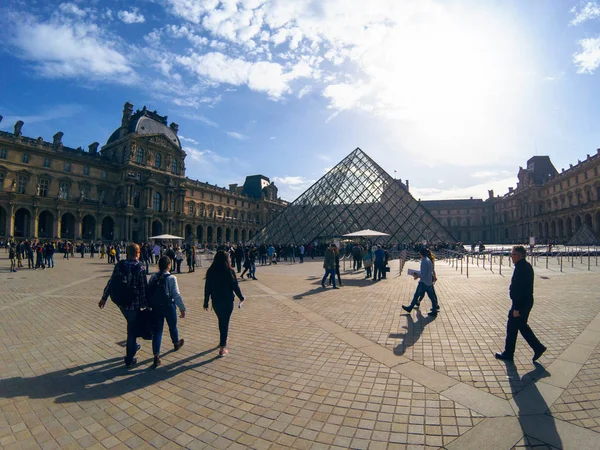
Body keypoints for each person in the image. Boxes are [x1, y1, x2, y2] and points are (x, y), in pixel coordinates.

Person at [99, 243, 149, 368]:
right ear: (137, 253)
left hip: (121, 303)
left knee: (131, 324)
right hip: (134, 304)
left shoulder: (119, 265)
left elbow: (111, 282)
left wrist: (104, 298)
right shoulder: (140, 268)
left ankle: (134, 346)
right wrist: (146, 305)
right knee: (132, 330)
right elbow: (143, 288)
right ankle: (129, 358)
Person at [495, 245, 546, 362]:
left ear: (518, 256)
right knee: (519, 327)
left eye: (512, 254)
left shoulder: (521, 268)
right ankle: (537, 348)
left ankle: (510, 353)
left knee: (514, 327)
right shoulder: (524, 266)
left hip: (520, 303)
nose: (511, 257)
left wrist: (517, 308)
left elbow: (520, 289)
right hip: (525, 302)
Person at [204, 250, 245, 357]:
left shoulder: (211, 271)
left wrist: (206, 302)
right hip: (227, 301)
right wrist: (241, 297)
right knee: (225, 323)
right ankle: (222, 348)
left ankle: (223, 338)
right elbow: (235, 286)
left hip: (216, 301)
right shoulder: (230, 271)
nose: (230, 259)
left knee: (221, 321)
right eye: (229, 257)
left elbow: (207, 288)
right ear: (226, 259)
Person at [148, 256, 186, 367]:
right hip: (168, 306)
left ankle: (156, 356)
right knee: (172, 327)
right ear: (169, 265)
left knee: (157, 332)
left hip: (156, 307)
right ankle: (176, 343)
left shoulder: (153, 277)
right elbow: (176, 295)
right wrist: (182, 308)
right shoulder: (171, 278)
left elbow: (148, 292)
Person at [402, 247, 439, 317]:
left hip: (423, 282)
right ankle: (434, 310)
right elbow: (428, 271)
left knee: (416, 295)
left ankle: (410, 307)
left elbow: (423, 274)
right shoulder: (428, 260)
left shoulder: (424, 261)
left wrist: (416, 275)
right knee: (432, 297)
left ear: (420, 253)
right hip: (428, 281)